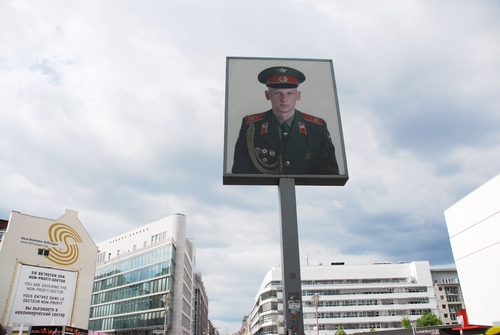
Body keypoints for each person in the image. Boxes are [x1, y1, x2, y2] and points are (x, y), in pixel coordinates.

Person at [232, 66, 339, 175]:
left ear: (298, 95)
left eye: (289, 93)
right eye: (278, 93)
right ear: (267, 95)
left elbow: (330, 174)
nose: (284, 99)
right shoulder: (251, 127)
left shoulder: (317, 129)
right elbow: (240, 173)